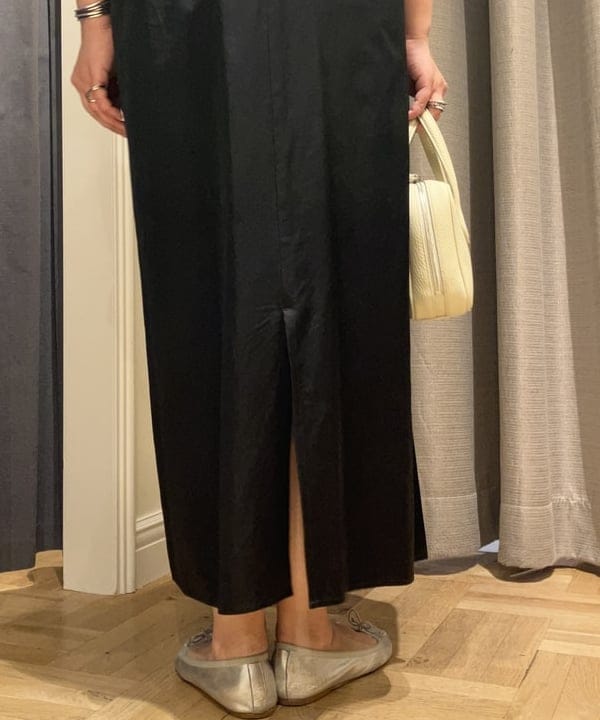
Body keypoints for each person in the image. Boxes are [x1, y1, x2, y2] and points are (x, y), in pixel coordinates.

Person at [71, 0, 448, 717]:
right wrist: (414, 33)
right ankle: (309, 631)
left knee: (205, 295)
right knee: (333, 286)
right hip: (337, 21)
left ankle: (235, 640)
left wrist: (94, 19)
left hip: (180, 25)